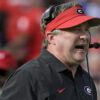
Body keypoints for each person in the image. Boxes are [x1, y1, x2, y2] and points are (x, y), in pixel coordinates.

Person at [1, 1, 100, 100]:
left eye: (86, 29)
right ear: (51, 38)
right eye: (76, 29)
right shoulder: (27, 77)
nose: (85, 36)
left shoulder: (86, 79)